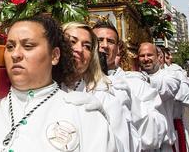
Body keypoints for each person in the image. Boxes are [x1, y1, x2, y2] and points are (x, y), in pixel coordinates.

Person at [0, 16, 116, 151]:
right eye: (10, 46)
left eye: (28, 46)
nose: (16, 54)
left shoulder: (83, 113)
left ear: (55, 55)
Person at [93, 21, 168, 151]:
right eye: (99, 40)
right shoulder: (76, 83)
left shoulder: (135, 84)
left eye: (110, 41)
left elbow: (156, 134)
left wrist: (131, 102)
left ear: (117, 49)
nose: (104, 45)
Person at [61, 22, 135, 152]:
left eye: (87, 46)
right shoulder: (40, 87)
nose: (79, 49)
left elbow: (122, 147)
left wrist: (101, 120)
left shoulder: (105, 96)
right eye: (72, 42)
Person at [138, 42, 181, 152]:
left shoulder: (170, 76)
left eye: (149, 55)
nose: (146, 59)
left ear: (159, 57)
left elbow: (165, 89)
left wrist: (143, 80)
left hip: (164, 143)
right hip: (142, 144)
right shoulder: (134, 77)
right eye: (142, 56)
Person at [161, 47, 189, 152]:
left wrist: (174, 89)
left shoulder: (176, 72)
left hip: (175, 125)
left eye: (166, 57)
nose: (170, 58)